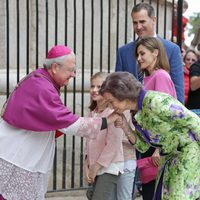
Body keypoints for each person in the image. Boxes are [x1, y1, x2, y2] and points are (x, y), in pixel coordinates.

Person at [0, 45, 120, 200]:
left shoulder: (41, 80)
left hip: (22, 155)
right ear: (55, 67)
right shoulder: (42, 87)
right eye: (70, 70)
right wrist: (107, 120)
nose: (74, 75)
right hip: (17, 157)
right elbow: (68, 124)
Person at [99, 71, 200, 200]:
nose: (111, 107)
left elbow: (194, 122)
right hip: (169, 161)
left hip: (188, 155)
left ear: (121, 93)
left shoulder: (156, 101)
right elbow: (143, 147)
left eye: (111, 101)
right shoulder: (137, 113)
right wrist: (125, 126)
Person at [115, 2, 184, 104]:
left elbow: (178, 90)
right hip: (129, 116)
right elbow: (117, 87)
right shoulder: (123, 52)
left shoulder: (172, 49)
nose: (138, 27)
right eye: (135, 23)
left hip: (162, 115)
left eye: (142, 21)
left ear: (153, 20)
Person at [135, 37, 177, 200]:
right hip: (150, 146)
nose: (139, 58)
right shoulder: (150, 77)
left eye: (142, 53)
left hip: (158, 148)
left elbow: (167, 116)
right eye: (137, 54)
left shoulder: (160, 76)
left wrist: (160, 149)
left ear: (155, 53)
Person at [84, 72, 124, 200]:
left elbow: (113, 145)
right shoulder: (92, 114)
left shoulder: (113, 113)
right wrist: (87, 166)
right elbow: (87, 142)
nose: (94, 90)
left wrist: (95, 168)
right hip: (94, 167)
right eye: (92, 86)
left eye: (99, 87)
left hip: (109, 167)